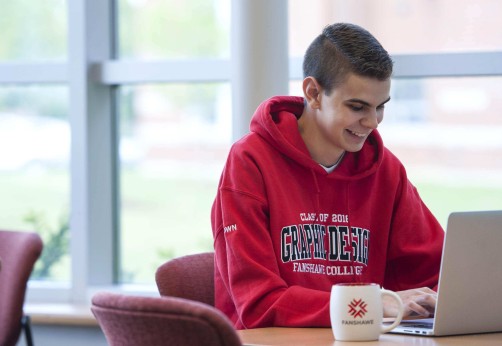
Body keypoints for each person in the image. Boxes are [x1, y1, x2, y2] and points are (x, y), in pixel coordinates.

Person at [211, 22, 444, 329]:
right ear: (313, 93)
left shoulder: (385, 170)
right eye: (357, 106)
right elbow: (259, 304)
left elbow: (441, 275)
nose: (373, 122)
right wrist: (374, 305)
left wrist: (440, 300)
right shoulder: (249, 163)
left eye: (380, 107)